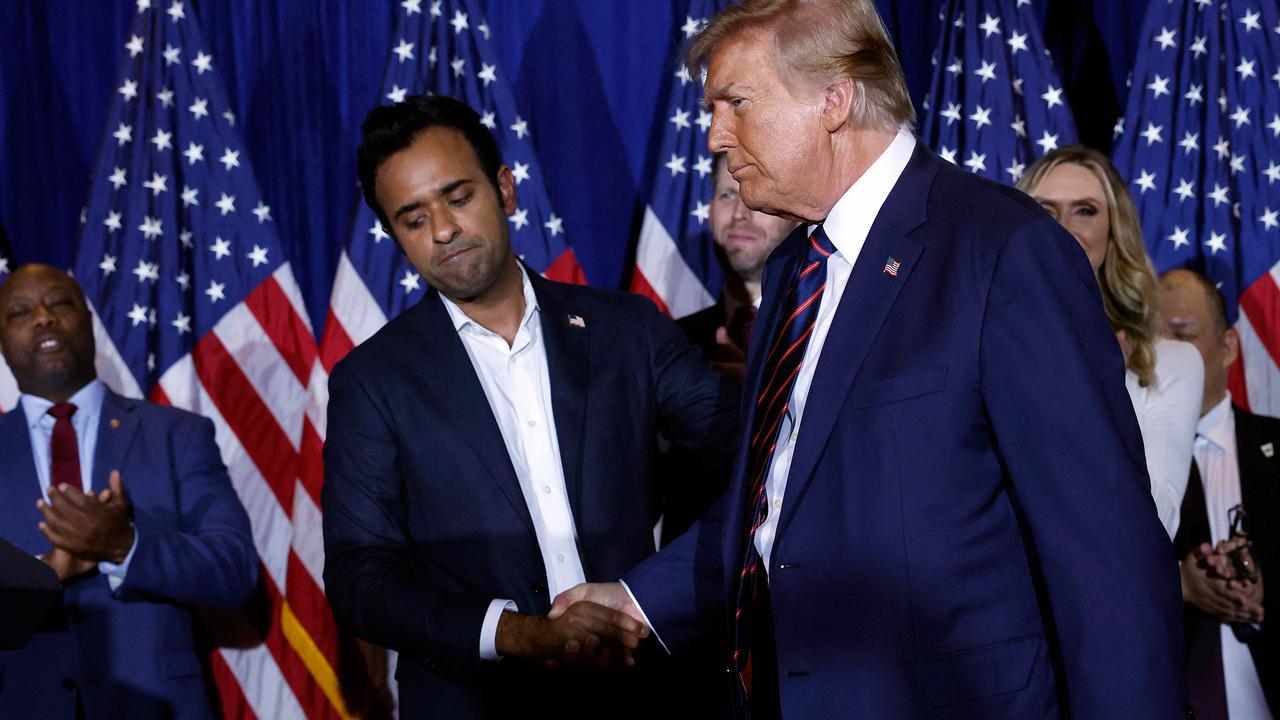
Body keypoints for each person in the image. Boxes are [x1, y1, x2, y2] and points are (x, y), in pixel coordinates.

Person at [552, 1, 1187, 717]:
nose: (715, 137)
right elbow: (785, 494)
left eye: (735, 103)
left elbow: (1104, 553)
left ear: (835, 98)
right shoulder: (796, 267)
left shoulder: (1003, 252)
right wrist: (637, 602)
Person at [321, 94, 738, 719]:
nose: (442, 230)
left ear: (505, 190)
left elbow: (749, 451)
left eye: (458, 198)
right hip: (474, 699)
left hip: (643, 687)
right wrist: (515, 633)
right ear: (396, 240)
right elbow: (360, 577)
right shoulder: (371, 381)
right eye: (413, 219)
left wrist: (647, 598)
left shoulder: (628, 330)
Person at [0, 263, 258, 719]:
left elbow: (234, 571)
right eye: (20, 312)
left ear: (89, 321)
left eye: (60, 303)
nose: (43, 317)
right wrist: (45, 571)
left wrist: (124, 545)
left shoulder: (178, 434)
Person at [1018, 146, 1204, 539]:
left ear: (1113, 230)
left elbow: (1159, 523)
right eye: (1045, 210)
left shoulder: (1169, 363)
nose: (1063, 227)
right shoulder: (980, 347)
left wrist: (1098, 393)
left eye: (1085, 210)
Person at [1159, 268, 1277, 718]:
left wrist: (1261, 584)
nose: (1164, 352)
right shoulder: (1116, 462)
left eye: (1182, 335)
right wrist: (1178, 583)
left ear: (1228, 347)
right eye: (1150, 337)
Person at [680, 152, 797, 364]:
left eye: (758, 195)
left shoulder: (825, 334)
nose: (739, 213)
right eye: (727, 195)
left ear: (797, 216)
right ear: (710, 210)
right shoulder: (675, 341)